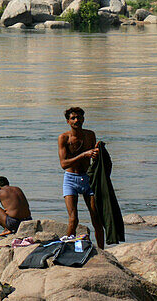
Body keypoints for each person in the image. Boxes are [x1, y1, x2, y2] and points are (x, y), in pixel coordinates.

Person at [58, 106, 105, 248]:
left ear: (84, 119)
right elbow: (63, 164)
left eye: (79, 117)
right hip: (71, 179)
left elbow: (96, 158)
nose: (76, 120)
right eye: (73, 118)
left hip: (87, 178)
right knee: (73, 219)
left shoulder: (90, 135)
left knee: (96, 218)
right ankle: (66, 249)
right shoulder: (64, 138)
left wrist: (97, 154)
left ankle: (102, 251)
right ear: (68, 121)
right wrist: (84, 155)